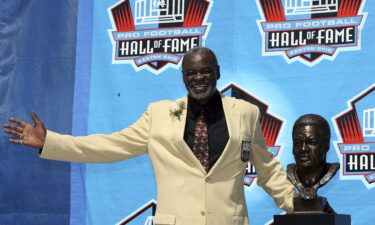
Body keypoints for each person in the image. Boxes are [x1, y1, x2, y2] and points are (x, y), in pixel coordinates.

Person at [3, 47, 294, 225]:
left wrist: (302, 207)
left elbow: (268, 171)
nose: (198, 78)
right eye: (191, 73)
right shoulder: (159, 115)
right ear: (183, 77)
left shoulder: (246, 113)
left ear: (217, 73)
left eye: (205, 71)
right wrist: (50, 141)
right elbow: (109, 146)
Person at [287, 114, 339, 213]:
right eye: (298, 143)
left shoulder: (330, 172)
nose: (303, 149)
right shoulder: (289, 174)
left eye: (311, 142)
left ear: (326, 145)